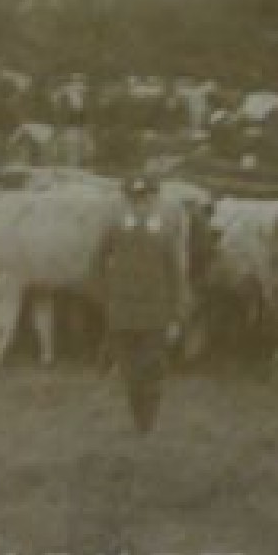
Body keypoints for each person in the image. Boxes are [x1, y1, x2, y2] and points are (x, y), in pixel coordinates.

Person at [94, 174, 185, 434]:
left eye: (146, 199)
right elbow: (95, 266)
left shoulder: (165, 233)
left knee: (152, 369)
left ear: (154, 200)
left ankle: (148, 422)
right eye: (135, 199)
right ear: (127, 201)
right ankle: (139, 418)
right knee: (130, 372)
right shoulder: (115, 230)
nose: (140, 205)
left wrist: (176, 316)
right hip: (123, 313)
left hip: (155, 314)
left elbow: (175, 275)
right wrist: (107, 298)